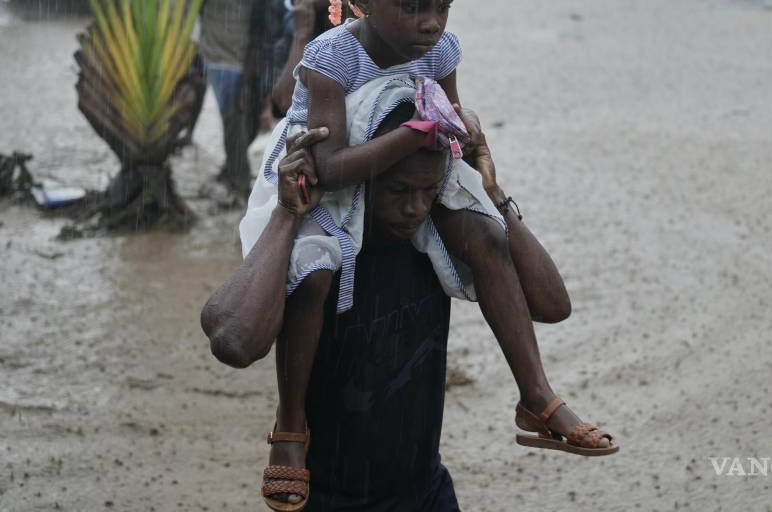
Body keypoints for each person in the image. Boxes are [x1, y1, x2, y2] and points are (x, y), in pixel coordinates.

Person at [242, 0, 617, 508]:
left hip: (406, 159)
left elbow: (447, 125)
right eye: (413, 7)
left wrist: (468, 154)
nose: (430, 23)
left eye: (442, 6)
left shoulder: (440, 50)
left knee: (487, 236)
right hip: (320, 174)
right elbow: (331, 168)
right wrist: (413, 135)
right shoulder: (332, 57)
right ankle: (290, 427)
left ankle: (537, 395)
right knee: (311, 275)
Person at [202, 107, 576, 510]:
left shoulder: (438, 241)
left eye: (428, 190)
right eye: (399, 191)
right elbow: (234, 342)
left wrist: (490, 194)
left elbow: (552, 305)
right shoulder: (320, 257)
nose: (415, 208)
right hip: (324, 496)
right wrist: (286, 214)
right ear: (364, 179)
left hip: (425, 491)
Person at [198, 0, 265, 193]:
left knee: (247, 118)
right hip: (217, 57)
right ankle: (240, 181)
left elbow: (261, 13)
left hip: (247, 57)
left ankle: (232, 167)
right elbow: (194, 7)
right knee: (232, 117)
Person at [242, 0, 291, 142]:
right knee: (250, 124)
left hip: (287, 71)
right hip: (263, 70)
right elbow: (253, 42)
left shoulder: (293, 2)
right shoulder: (261, 3)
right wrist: (246, 83)